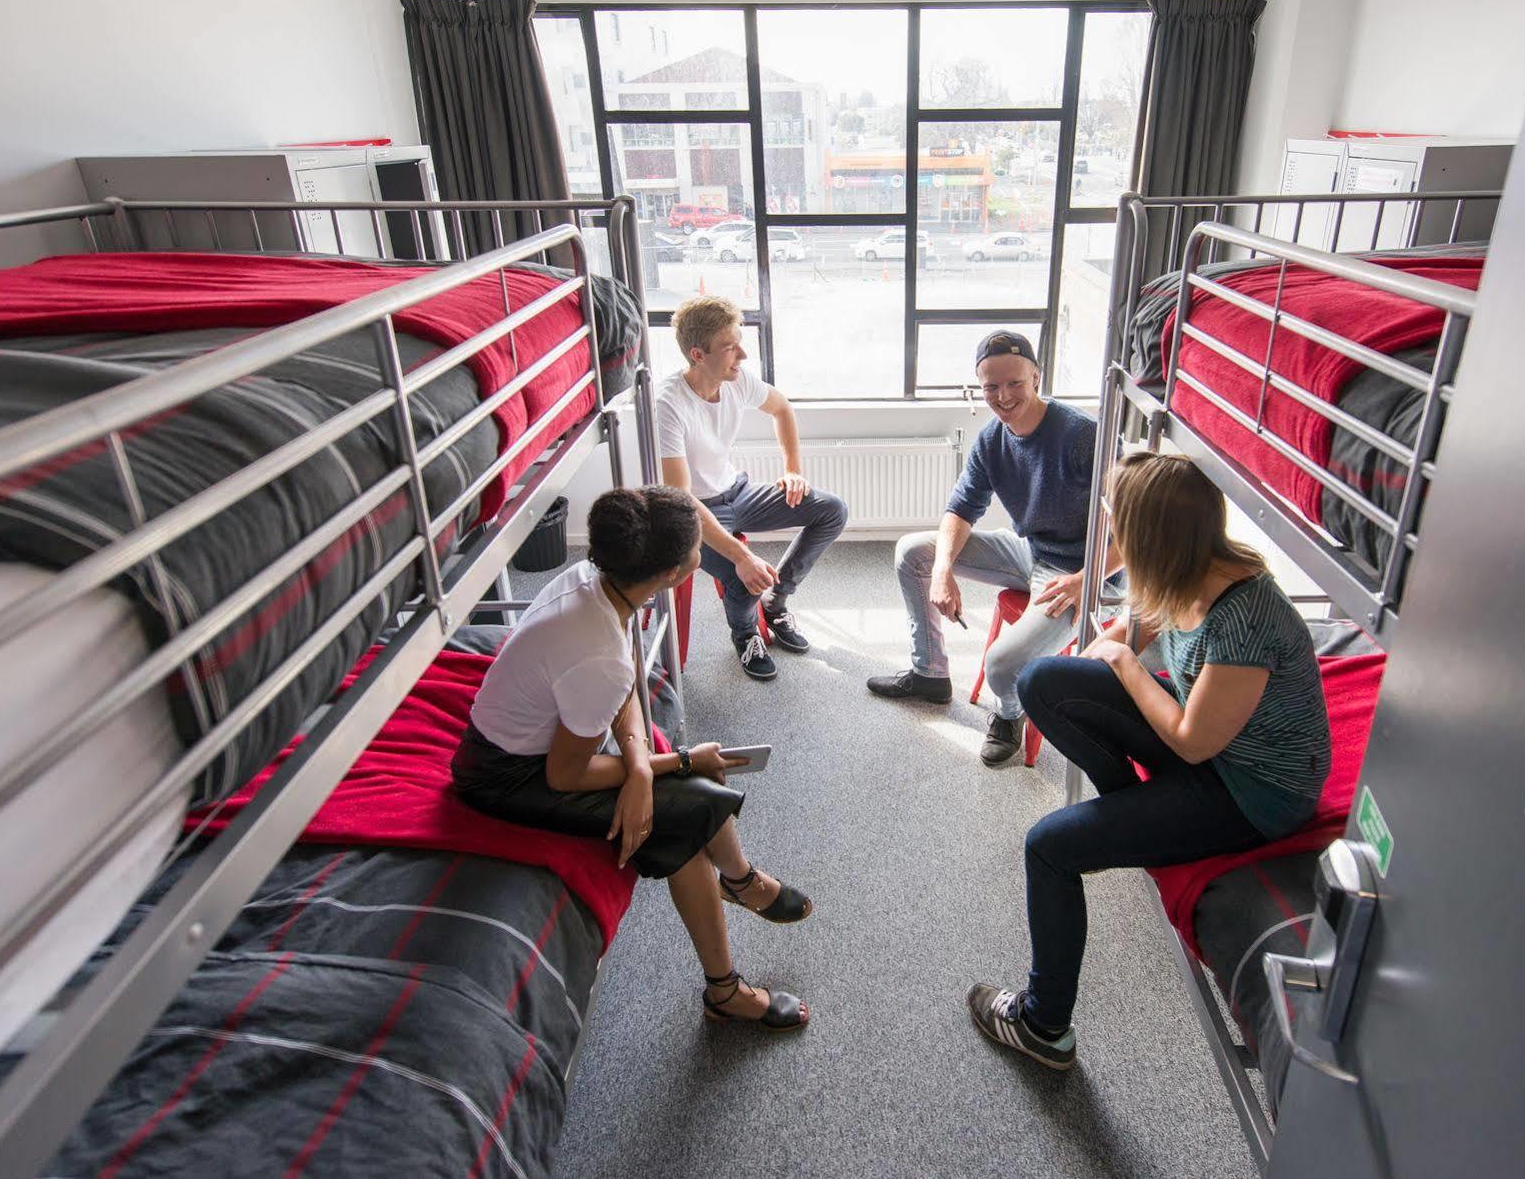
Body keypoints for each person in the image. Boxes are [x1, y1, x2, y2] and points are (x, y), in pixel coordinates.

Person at [966, 451, 1331, 1067]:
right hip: (1212, 747)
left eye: (1117, 523)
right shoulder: (1177, 570)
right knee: (1041, 682)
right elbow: (1124, 637)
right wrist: (1084, 672)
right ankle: (1135, 816)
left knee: (1047, 848)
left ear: (1151, 535)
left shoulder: (1246, 616)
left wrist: (1125, 665)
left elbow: (1190, 740)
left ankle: (1043, 1026)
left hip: (1251, 792)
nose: (1109, 533)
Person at [451, 485, 814, 1031]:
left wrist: (643, 761)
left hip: (523, 742)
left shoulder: (593, 581)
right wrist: (675, 762)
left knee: (685, 812)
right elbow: (564, 772)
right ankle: (729, 964)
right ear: (673, 574)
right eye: (696, 549)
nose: (702, 552)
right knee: (689, 810)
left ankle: (737, 899)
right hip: (504, 777)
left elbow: (617, 673)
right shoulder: (596, 647)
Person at [866, 329, 1120, 766]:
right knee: (914, 552)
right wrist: (943, 569)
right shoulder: (991, 440)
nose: (1003, 396)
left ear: (1037, 377)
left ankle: (1008, 714)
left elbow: (1139, 533)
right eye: (991, 387)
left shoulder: (1084, 436)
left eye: (1014, 383)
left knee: (1003, 665)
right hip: (1031, 551)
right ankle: (929, 674)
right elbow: (960, 510)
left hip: (1087, 571)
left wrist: (1085, 582)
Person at [655, 295, 849, 682]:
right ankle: (745, 636)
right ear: (698, 354)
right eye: (729, 347)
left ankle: (777, 602)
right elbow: (683, 501)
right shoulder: (669, 404)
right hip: (695, 511)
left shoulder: (737, 381)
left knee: (832, 510)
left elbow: (782, 408)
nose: (742, 354)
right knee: (742, 575)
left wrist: (793, 469)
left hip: (737, 491)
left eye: (739, 342)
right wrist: (742, 556)